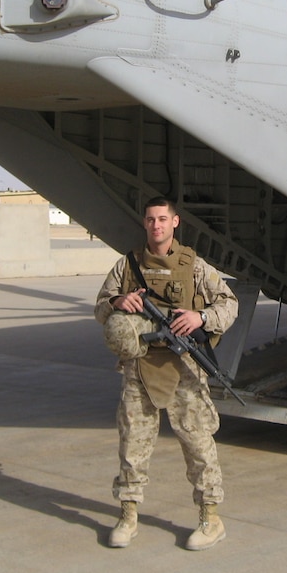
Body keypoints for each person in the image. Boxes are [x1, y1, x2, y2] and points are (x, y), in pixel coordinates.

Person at [95, 197, 238, 550]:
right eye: (150, 219)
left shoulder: (194, 266)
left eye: (163, 219)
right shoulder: (127, 265)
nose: (156, 225)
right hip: (140, 368)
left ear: (174, 223)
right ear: (145, 224)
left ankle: (211, 518)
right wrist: (118, 302)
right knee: (132, 445)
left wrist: (199, 318)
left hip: (185, 367)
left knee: (198, 443)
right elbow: (100, 306)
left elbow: (228, 303)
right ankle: (128, 516)